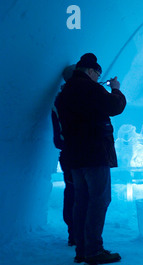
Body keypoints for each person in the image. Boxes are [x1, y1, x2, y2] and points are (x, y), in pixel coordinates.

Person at [55, 53, 126, 265]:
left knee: (82, 201)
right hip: (94, 154)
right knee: (99, 199)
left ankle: (82, 249)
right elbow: (115, 107)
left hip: (74, 156)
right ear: (90, 71)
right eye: (97, 73)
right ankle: (94, 250)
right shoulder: (90, 88)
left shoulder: (65, 92)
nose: (98, 77)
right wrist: (115, 88)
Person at [52, 64, 76, 246]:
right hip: (76, 153)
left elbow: (57, 137)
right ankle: (80, 233)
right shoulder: (72, 100)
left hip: (67, 153)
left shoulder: (59, 100)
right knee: (81, 193)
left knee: (72, 191)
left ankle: (73, 232)